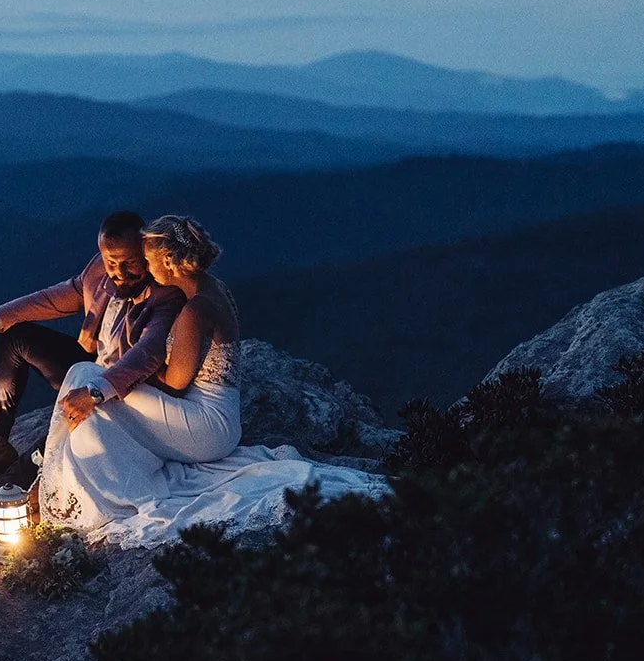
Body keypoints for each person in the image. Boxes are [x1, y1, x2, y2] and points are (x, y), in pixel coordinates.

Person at [36, 215, 386, 546]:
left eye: (149, 260)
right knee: (94, 381)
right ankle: (82, 476)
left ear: (168, 263)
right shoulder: (213, 289)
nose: (146, 268)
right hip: (216, 417)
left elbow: (174, 383)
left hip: (205, 427)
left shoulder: (194, 310)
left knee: (87, 376)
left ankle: (82, 487)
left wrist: (121, 378)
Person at [0, 211, 186, 558]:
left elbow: (146, 355)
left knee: (42, 455)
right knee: (16, 337)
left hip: (122, 391)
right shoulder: (100, 271)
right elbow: (52, 298)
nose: (119, 273)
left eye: (129, 264)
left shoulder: (166, 294)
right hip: (87, 369)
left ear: (145, 253)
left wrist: (94, 394)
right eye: (112, 262)